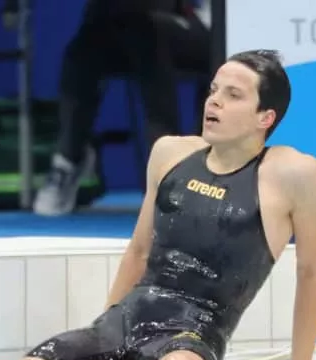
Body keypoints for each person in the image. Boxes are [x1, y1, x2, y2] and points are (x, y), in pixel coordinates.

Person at [21, 49, 316, 360]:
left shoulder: (294, 176)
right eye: (213, 90)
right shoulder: (170, 153)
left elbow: (310, 274)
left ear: (265, 118)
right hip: (126, 318)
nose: (214, 102)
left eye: (233, 95)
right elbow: (139, 251)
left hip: (192, 337)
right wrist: (105, 327)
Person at [31, 0, 211, 216]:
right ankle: (68, 160)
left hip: (203, 24)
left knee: (147, 34)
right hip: (130, 25)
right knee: (85, 48)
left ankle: (168, 169)